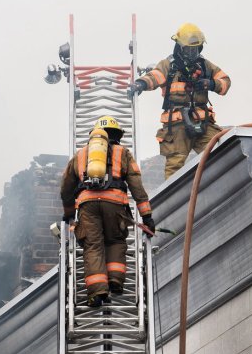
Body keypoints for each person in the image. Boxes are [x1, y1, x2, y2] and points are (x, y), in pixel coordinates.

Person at [60, 116, 155, 307]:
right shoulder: (123, 153)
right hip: (115, 205)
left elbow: (66, 188)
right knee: (115, 240)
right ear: (117, 136)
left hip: (88, 205)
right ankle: (115, 281)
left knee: (93, 246)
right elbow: (136, 184)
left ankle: (97, 292)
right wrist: (146, 216)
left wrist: (69, 212)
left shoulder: (81, 155)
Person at [129, 22, 231, 179]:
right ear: (179, 46)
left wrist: (210, 83)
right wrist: (140, 84)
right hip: (177, 125)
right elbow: (154, 77)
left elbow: (225, 82)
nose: (192, 52)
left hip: (203, 123)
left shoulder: (205, 65)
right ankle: (174, 200)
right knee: (175, 166)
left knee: (220, 150)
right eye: (189, 48)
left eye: (196, 48)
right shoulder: (168, 65)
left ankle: (217, 185)